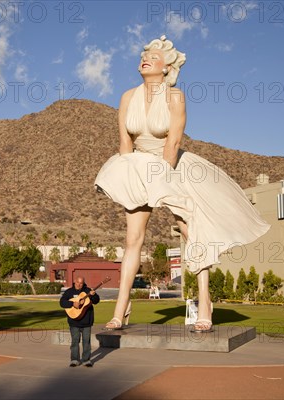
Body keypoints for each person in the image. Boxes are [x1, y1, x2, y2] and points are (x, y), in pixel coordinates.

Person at [94, 35, 270, 333]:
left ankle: (204, 301)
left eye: (153, 55)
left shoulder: (175, 97)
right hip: (137, 165)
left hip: (170, 165)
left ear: (166, 68)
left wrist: (164, 183)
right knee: (132, 239)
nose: (145, 58)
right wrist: (126, 178)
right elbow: (125, 143)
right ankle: (120, 309)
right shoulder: (127, 97)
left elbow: (173, 142)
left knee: (191, 231)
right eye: (143, 54)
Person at [60, 276, 100, 367]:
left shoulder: (88, 291)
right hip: (74, 321)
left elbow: (96, 301)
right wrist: (72, 303)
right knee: (75, 341)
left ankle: (86, 360)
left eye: (81, 283)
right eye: (78, 282)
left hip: (86, 322)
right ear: (74, 281)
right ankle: (74, 360)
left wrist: (93, 295)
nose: (79, 285)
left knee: (86, 342)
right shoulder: (69, 292)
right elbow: (62, 302)